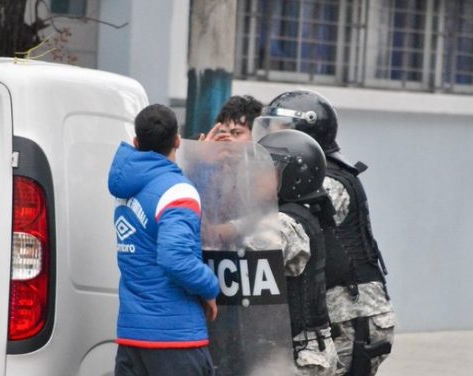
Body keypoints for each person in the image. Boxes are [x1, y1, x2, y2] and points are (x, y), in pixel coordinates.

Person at [259, 90, 395, 376]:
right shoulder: (314, 174)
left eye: (279, 128)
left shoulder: (327, 183)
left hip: (352, 313)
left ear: (305, 130)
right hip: (336, 311)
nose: (271, 134)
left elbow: (272, 223)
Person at [199, 97, 339, 375]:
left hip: (295, 358)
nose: (254, 175)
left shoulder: (280, 225)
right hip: (296, 350)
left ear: (290, 176)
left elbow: (230, 263)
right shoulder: (298, 211)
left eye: (263, 169)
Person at [108, 104, 220, 376]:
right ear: (178, 140)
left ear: (136, 142)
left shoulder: (129, 188)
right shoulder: (177, 191)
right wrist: (210, 287)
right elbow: (174, 257)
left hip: (132, 340)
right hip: (175, 340)